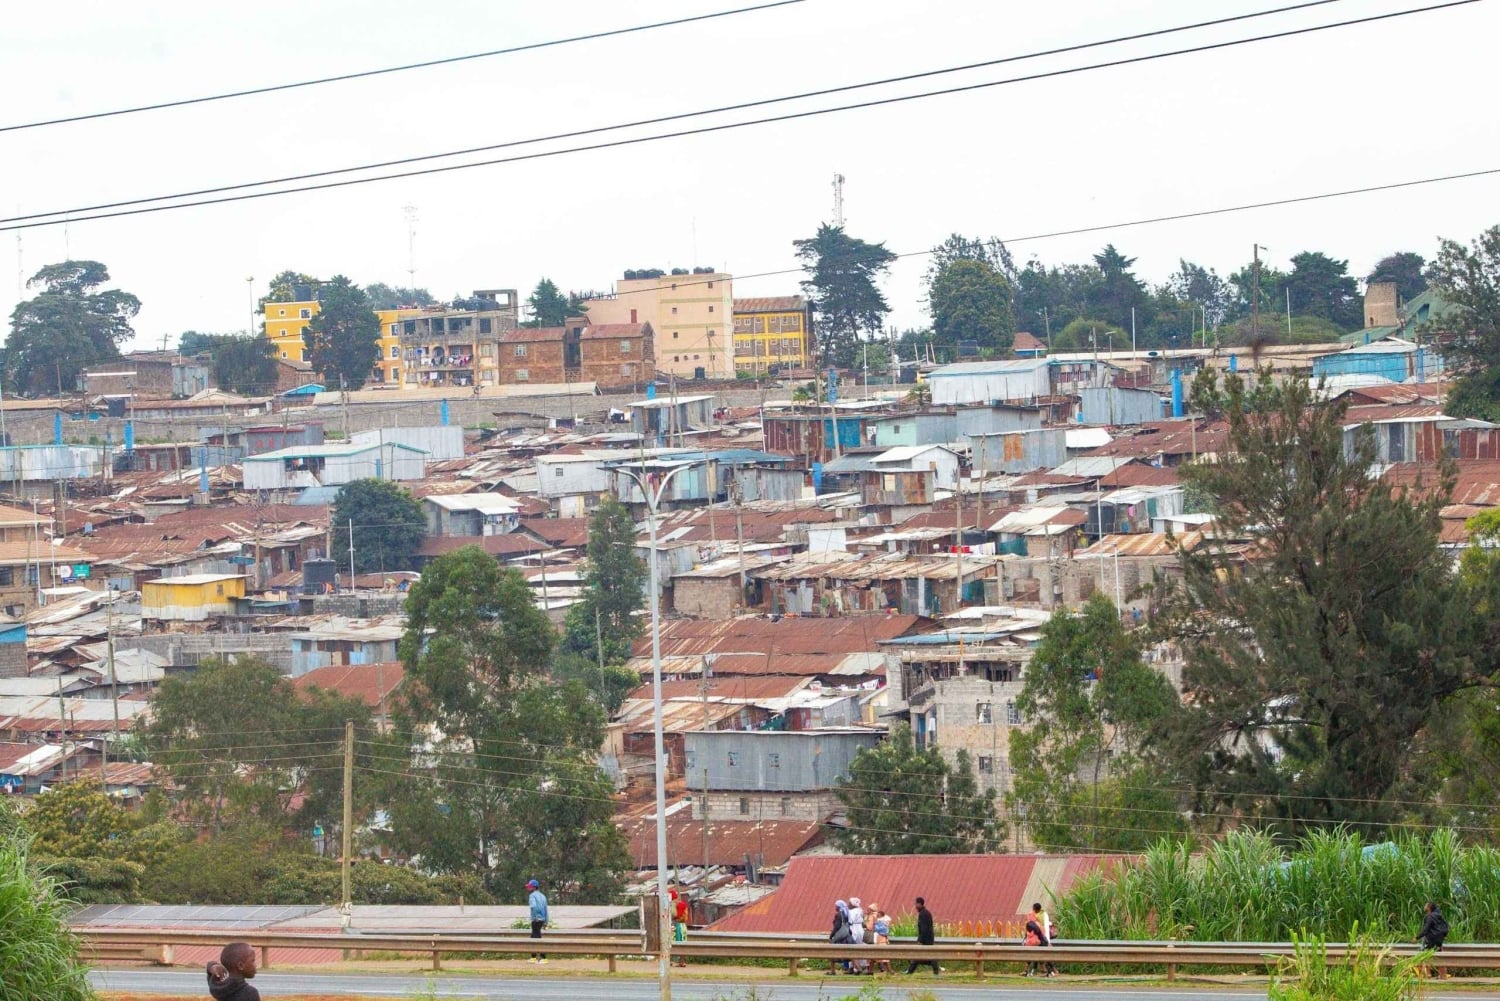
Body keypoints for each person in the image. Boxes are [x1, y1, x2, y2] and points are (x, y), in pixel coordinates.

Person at [905, 896, 939, 975]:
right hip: (929, 939)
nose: (915, 906)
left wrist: (920, 940)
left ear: (920, 904)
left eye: (916, 904)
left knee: (919, 955)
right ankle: (935, 970)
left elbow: (924, 929)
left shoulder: (923, 914)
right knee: (921, 956)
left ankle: (910, 972)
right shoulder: (926, 912)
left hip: (926, 940)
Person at [1416, 901, 1450, 979]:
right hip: (1439, 940)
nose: (1424, 906)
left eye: (1425, 905)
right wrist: (1443, 936)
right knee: (1440, 957)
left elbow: (1425, 930)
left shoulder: (1429, 916)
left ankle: (1428, 974)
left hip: (1431, 940)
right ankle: (1443, 975)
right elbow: (1446, 926)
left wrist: (1417, 937)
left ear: (1428, 907)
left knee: (1427, 956)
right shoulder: (1439, 915)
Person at [1025, 902, 1058, 977]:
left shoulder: (1035, 921)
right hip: (1045, 939)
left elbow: (1034, 933)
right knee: (1041, 957)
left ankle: (1048, 971)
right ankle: (1046, 971)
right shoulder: (1044, 914)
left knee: (1040, 957)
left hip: (1040, 940)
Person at [527, 878, 549, 964]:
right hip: (542, 919)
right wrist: (546, 922)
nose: (528, 888)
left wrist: (535, 917)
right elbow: (546, 909)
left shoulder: (532, 896)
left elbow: (533, 907)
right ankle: (533, 957)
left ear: (534, 887)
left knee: (536, 938)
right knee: (534, 937)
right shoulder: (543, 896)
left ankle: (543, 957)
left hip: (536, 920)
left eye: (530, 887)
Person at [829, 899, 853, 974]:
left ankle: (832, 971)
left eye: (836, 906)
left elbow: (836, 926)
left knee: (832, 952)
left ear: (839, 906)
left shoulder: (838, 914)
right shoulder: (846, 914)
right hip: (847, 935)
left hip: (840, 936)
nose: (835, 907)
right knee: (850, 953)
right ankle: (857, 968)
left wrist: (831, 935)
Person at [869, 903, 892, 974]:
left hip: (880, 938)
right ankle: (871, 970)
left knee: (883, 955)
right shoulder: (881, 919)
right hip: (879, 938)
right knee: (876, 955)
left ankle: (889, 970)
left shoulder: (880, 920)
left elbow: (871, 927)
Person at [847, 896, 868, 973]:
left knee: (852, 947)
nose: (848, 904)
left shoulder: (852, 911)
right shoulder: (860, 910)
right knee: (861, 946)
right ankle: (863, 965)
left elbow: (850, 921)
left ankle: (854, 967)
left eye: (849, 903)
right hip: (860, 929)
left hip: (854, 929)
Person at [670, 887, 689, 968]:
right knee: (681, 943)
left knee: (673, 943)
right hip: (682, 925)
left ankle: (674, 961)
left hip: (677, 925)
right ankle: (681, 961)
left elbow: (674, 914)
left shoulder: (675, 904)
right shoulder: (681, 903)